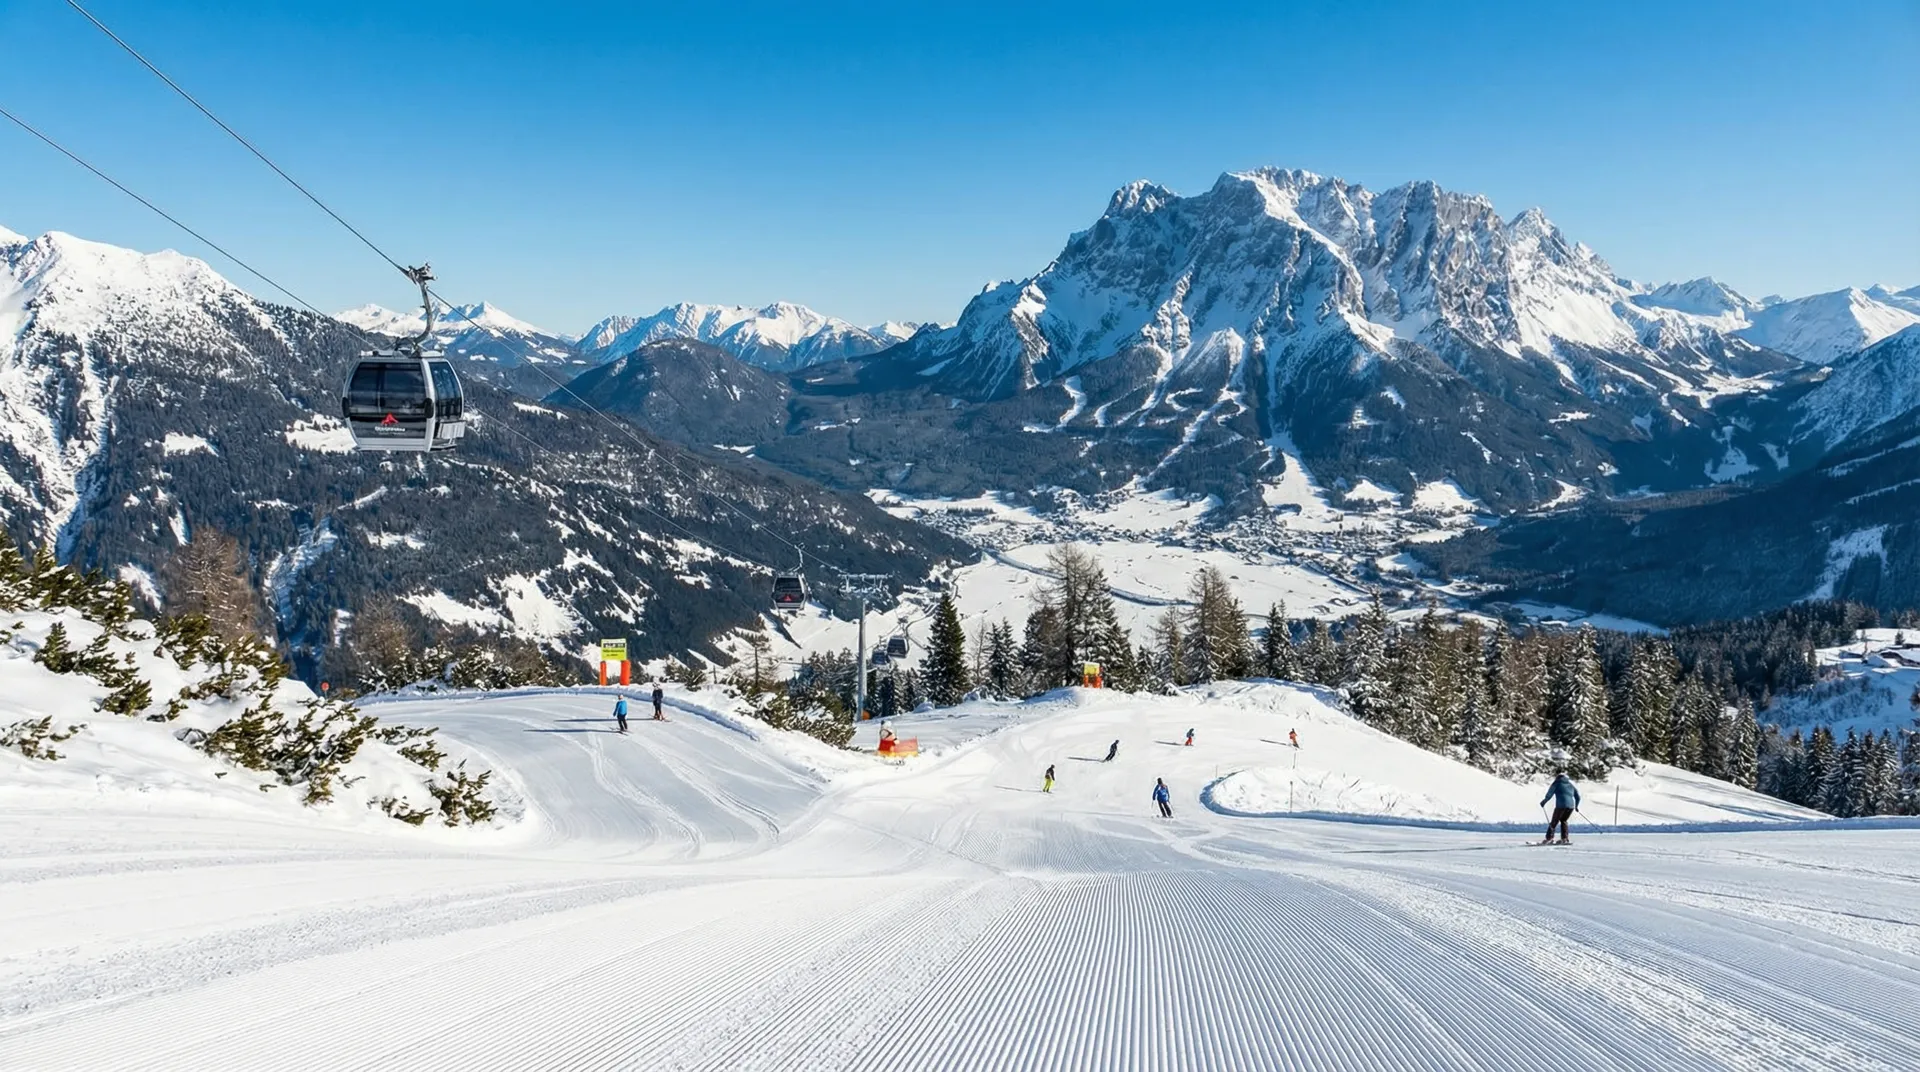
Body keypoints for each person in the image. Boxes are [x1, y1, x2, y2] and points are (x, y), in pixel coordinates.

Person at [1540, 770, 1580, 844]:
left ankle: (1549, 838)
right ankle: (1564, 839)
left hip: (1561, 806)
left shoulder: (1557, 783)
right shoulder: (1571, 785)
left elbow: (1550, 794)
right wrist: (1576, 806)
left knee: (1554, 822)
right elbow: (1578, 796)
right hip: (1571, 806)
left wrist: (1544, 802)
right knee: (1564, 821)